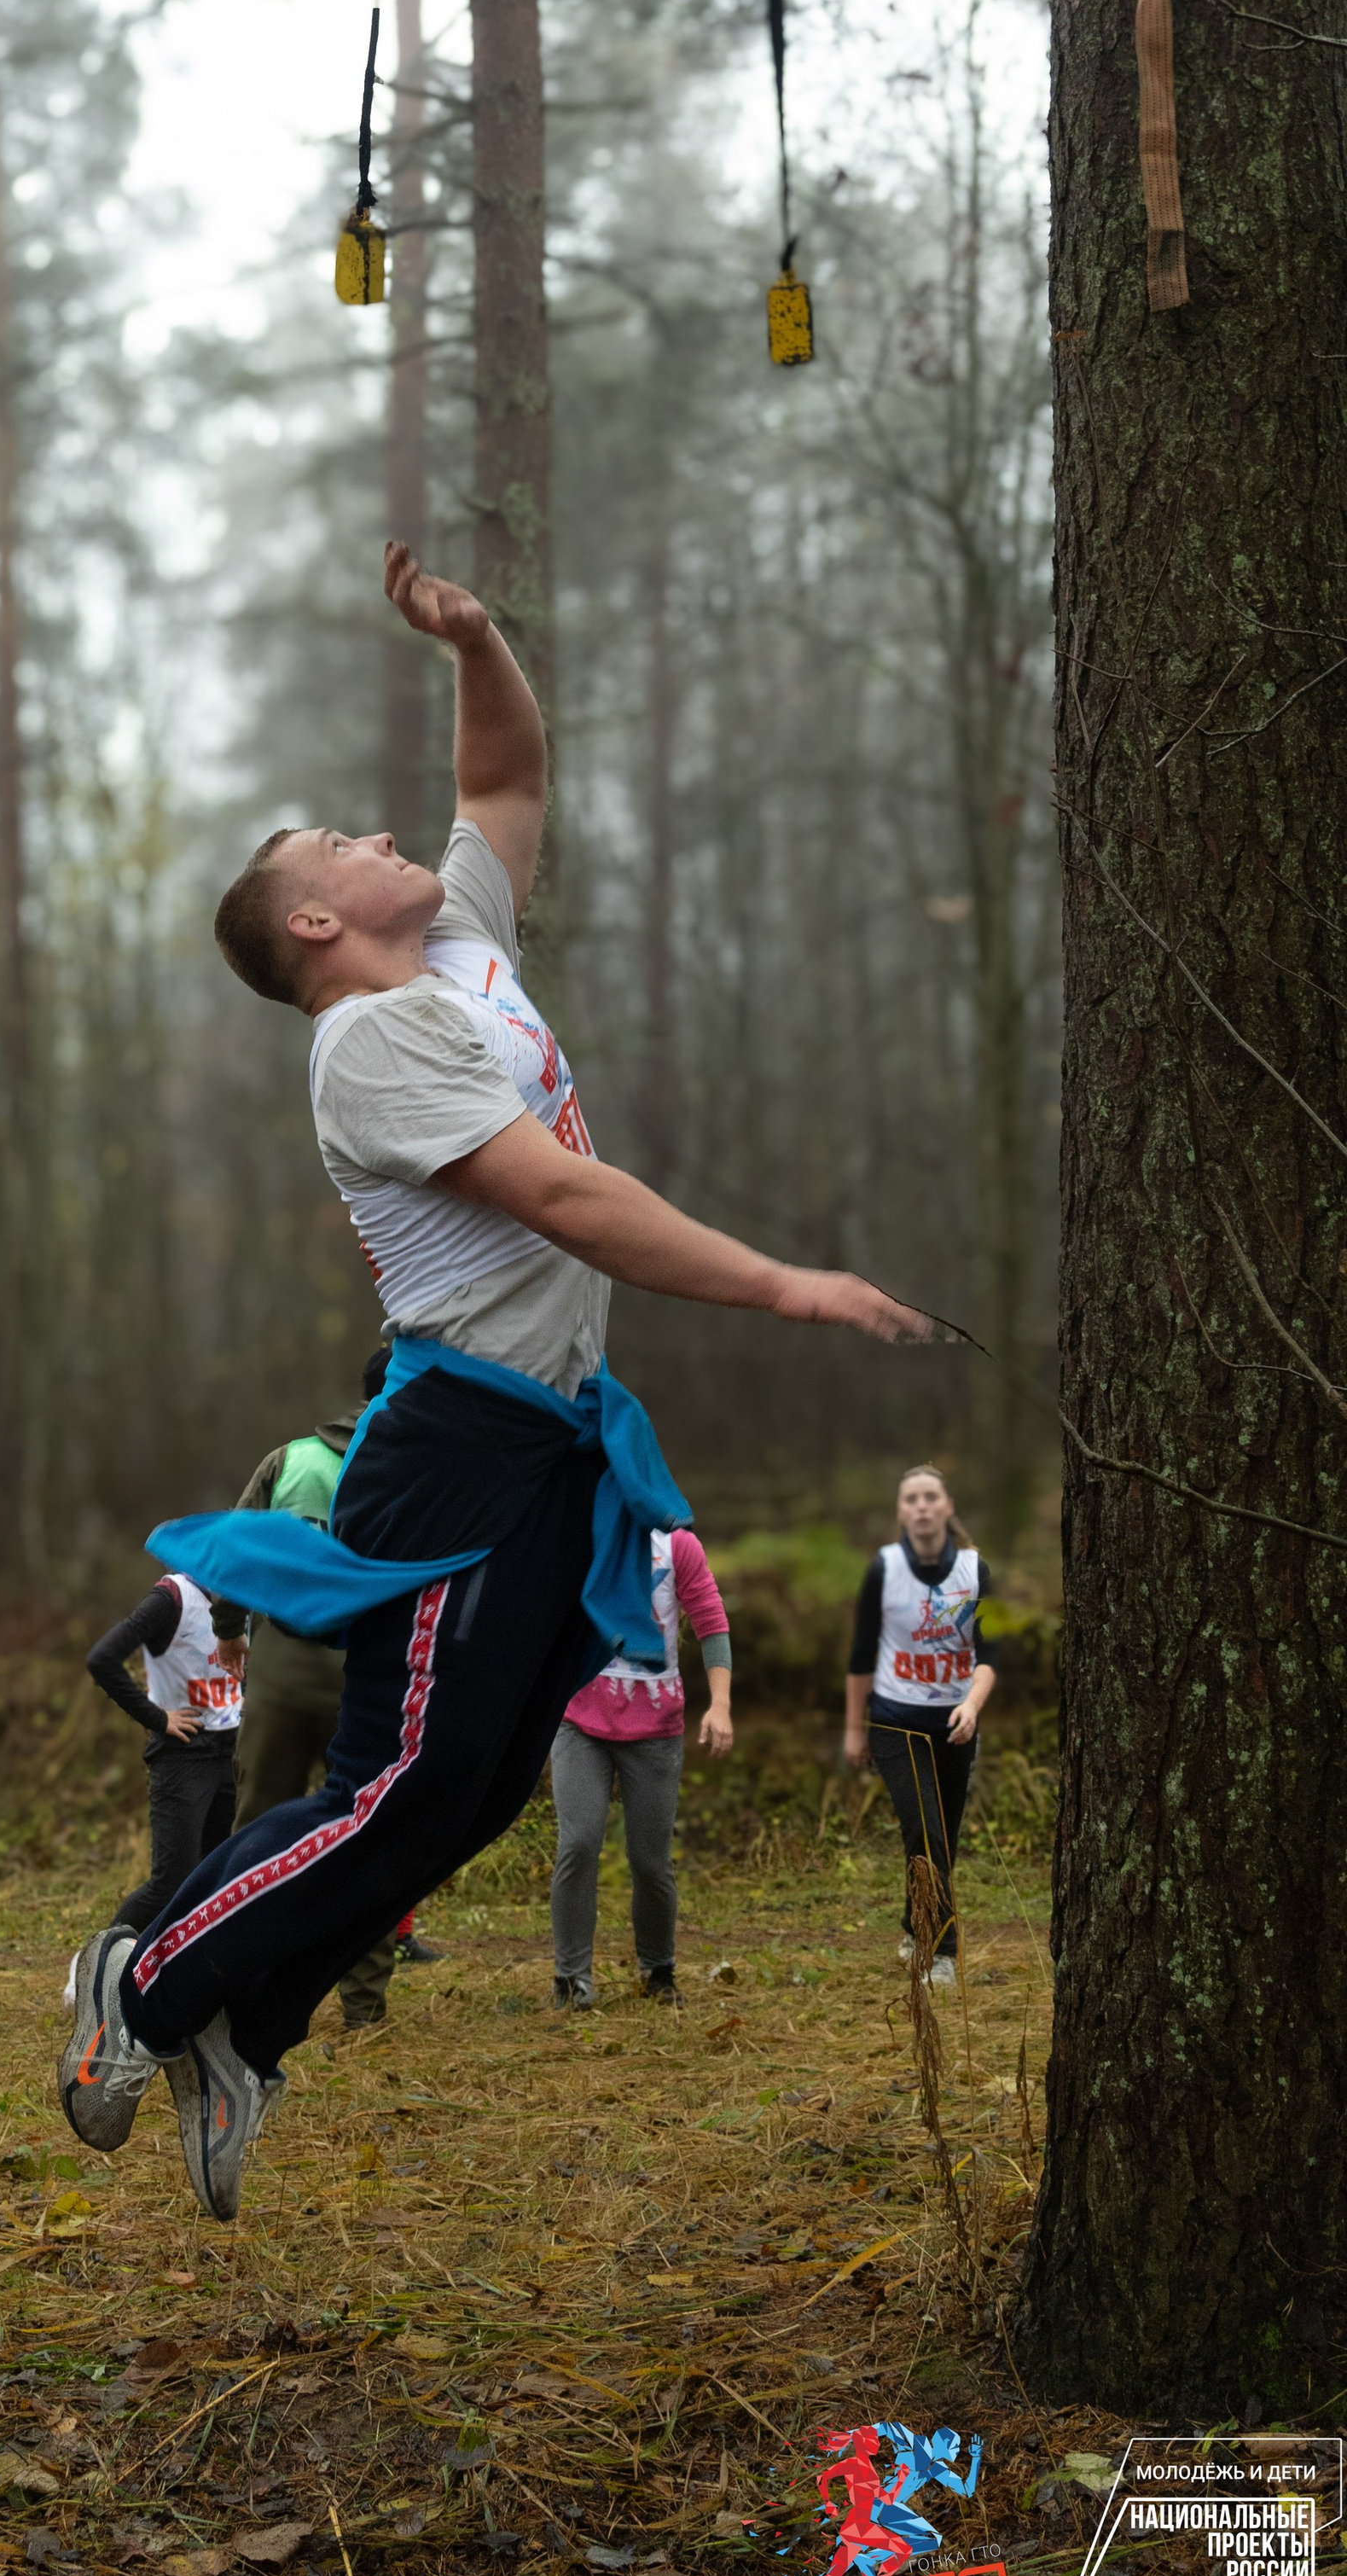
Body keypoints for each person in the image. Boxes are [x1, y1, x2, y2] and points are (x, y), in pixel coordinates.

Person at [59, 539, 929, 2219]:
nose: (394, 839)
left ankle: (246, 2029)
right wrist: (780, 1285)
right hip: (456, 1440)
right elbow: (559, 1198)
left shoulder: (455, 948)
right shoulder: (366, 1045)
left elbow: (507, 772)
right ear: (315, 919)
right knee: (383, 1783)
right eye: (348, 845)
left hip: (550, 1445)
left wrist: (472, 640)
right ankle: (143, 1981)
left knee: (454, 1808)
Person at [233, 1349, 409, 2032]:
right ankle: (364, 2010)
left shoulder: (290, 1460)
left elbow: (241, 1544)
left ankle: (239, 1982)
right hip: (368, 1676)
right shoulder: (413, 1470)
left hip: (278, 1665)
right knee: (370, 1834)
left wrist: (228, 1627)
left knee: (256, 1831)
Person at [549, 1524, 732, 2012]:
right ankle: (571, 1979)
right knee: (579, 1843)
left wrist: (721, 1705)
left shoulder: (678, 1547)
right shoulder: (585, 1533)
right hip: (579, 1719)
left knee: (650, 1861)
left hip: (655, 1725)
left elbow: (711, 1621)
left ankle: (658, 1969)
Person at [842, 1464, 996, 1986]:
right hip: (895, 1723)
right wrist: (854, 1729)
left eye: (932, 1497)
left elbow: (988, 1655)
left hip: (956, 1725)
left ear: (947, 1507)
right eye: (912, 1499)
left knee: (941, 1840)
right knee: (925, 1832)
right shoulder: (884, 1570)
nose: (923, 1506)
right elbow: (862, 1657)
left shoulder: (974, 1572)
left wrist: (972, 1706)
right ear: (902, 1511)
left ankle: (914, 1921)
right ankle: (943, 1949)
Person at [84, 1572, 246, 1939]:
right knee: (171, 1885)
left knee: (219, 1878)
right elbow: (103, 1659)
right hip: (183, 1754)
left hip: (231, 1751)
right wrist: (157, 1718)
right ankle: (94, 1967)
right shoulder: (172, 1597)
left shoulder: (244, 1594)